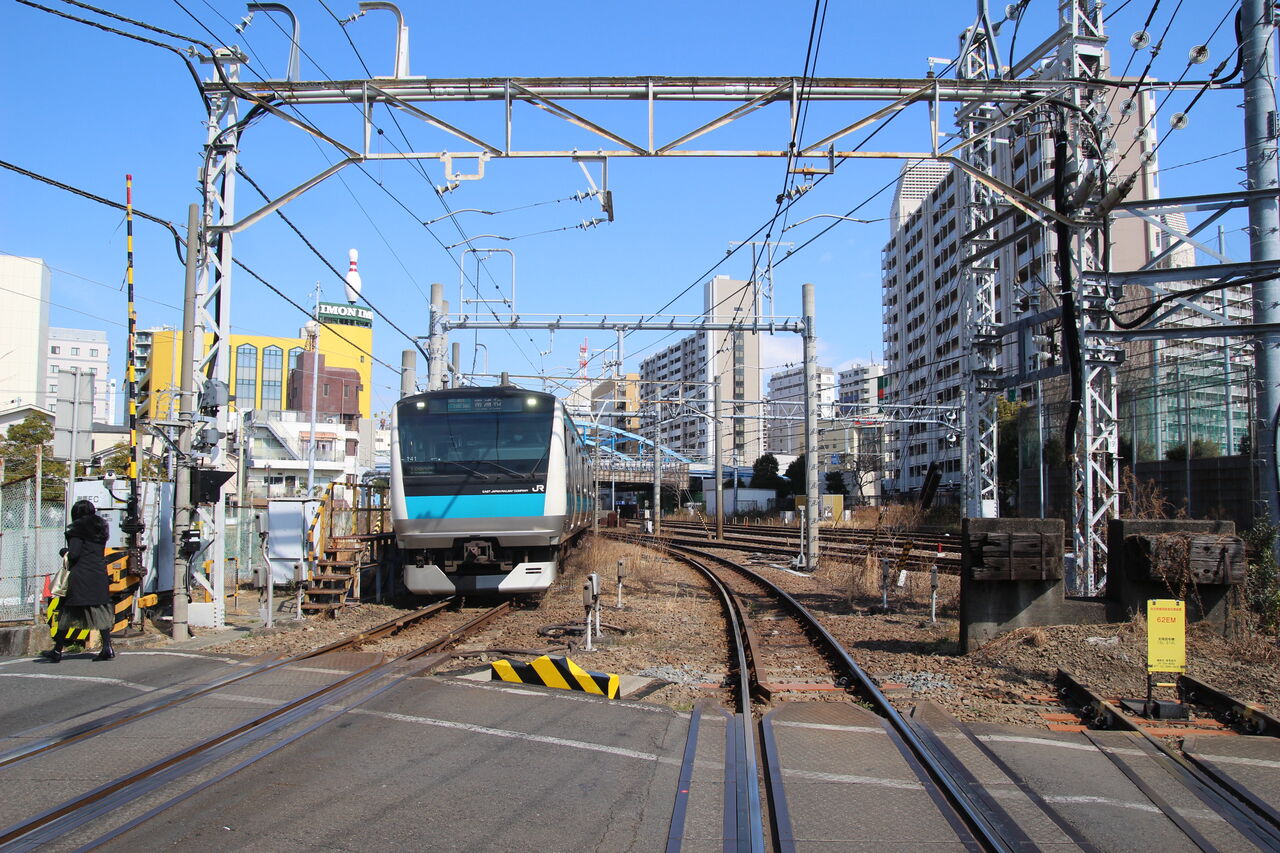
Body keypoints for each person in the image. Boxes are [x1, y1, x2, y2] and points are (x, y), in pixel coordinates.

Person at [42, 500, 115, 662]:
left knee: (66, 611)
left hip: (81, 576)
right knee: (100, 610)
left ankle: (57, 650)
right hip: (99, 574)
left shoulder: (77, 530)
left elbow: (74, 554)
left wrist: (64, 551)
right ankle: (107, 647)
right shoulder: (100, 529)